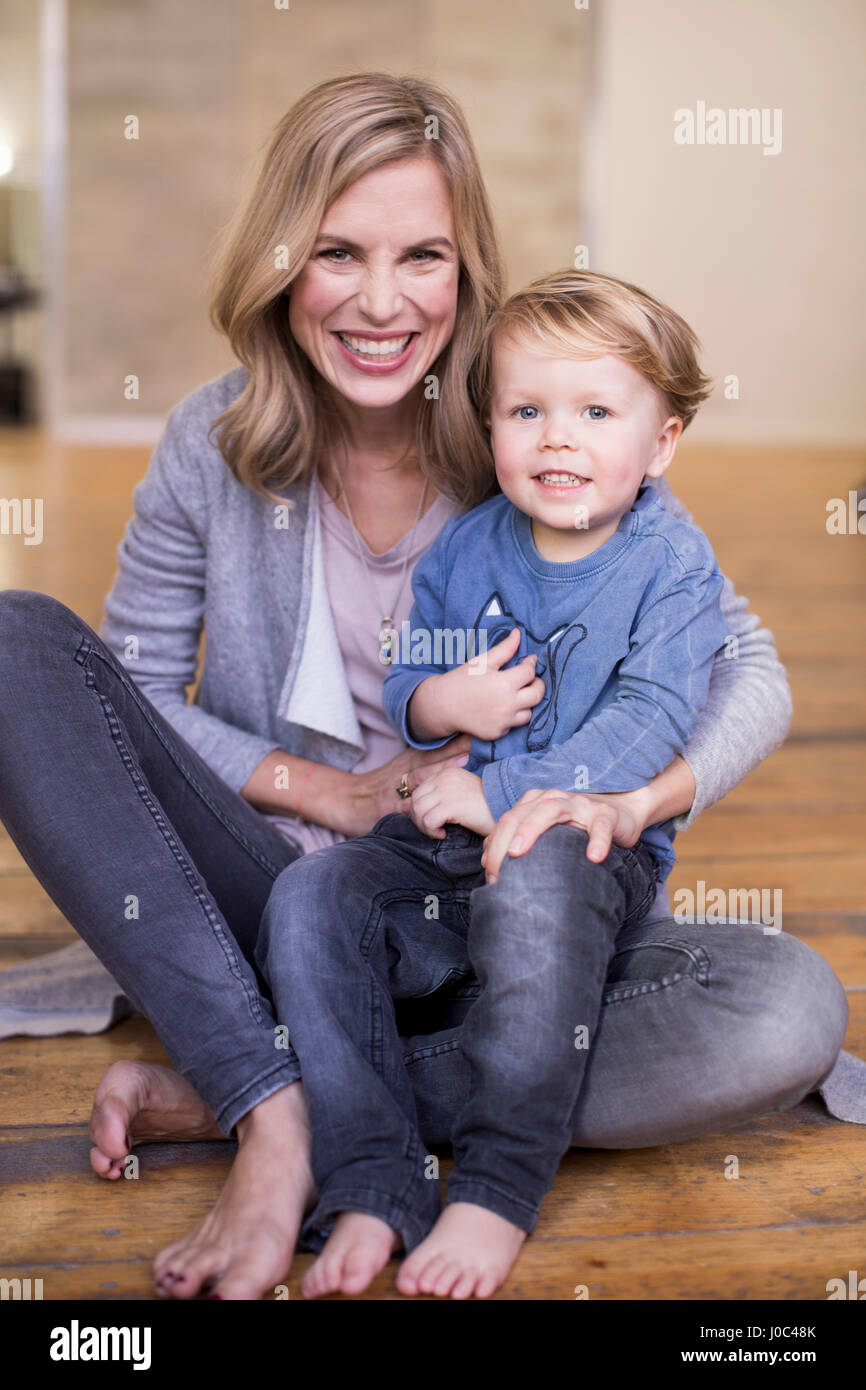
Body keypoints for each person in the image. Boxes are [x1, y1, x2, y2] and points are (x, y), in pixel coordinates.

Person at [0, 74, 845, 1303]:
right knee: (16, 640)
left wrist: (625, 796)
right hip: (264, 893)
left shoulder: (539, 435)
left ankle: (248, 1083)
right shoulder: (209, 443)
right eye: (338, 251)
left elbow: (749, 671)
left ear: (468, 267)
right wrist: (332, 795)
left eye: (423, 256)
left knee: (782, 1011)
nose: (382, 302)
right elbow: (127, 696)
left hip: (500, 909)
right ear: (282, 262)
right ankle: (277, 1115)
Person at [256, 269, 734, 1299]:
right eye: (526, 411)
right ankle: (371, 1176)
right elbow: (408, 679)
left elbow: (649, 720)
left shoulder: (672, 566)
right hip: (440, 841)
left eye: (594, 412)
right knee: (310, 893)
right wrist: (442, 707)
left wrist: (507, 784)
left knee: (532, 871)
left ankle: (497, 1182)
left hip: (578, 851)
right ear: (490, 424)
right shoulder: (470, 542)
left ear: (660, 442)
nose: (555, 439)